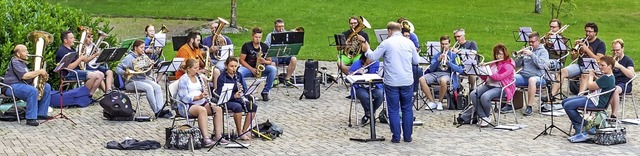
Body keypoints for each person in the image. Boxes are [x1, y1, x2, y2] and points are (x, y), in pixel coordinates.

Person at [363, 22, 419, 143]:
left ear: (389, 31)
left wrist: (366, 49)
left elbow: (373, 56)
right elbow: (416, 60)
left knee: (393, 109)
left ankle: (396, 136)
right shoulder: (409, 42)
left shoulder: (387, 42)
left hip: (392, 81)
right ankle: (408, 136)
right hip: (407, 80)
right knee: (407, 108)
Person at [176, 58, 228, 147]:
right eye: (195, 68)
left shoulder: (199, 77)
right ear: (188, 68)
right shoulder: (183, 79)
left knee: (218, 108)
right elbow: (183, 98)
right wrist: (199, 97)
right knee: (202, 110)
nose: (198, 70)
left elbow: (203, 91)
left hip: (202, 102)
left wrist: (205, 91)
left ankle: (217, 135)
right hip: (188, 105)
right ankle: (205, 138)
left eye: (198, 68)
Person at [115, 40, 172, 118]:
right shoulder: (129, 58)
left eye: (143, 47)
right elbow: (117, 69)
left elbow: (147, 74)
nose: (143, 49)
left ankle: (160, 109)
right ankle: (156, 111)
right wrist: (126, 73)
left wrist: (150, 67)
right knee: (149, 88)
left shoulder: (144, 56)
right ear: (135, 48)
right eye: (141, 47)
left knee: (157, 87)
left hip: (142, 79)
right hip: (131, 82)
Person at [562, 56, 615, 135]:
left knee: (568, 106)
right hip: (591, 98)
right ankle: (583, 123)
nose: (600, 67)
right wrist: (595, 77)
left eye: (602, 65)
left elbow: (590, 86)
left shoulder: (607, 78)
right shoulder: (607, 77)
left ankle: (580, 124)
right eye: (599, 65)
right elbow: (598, 84)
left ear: (610, 66)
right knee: (564, 101)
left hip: (596, 102)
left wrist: (590, 76)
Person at [550, 22, 606, 97]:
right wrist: (574, 53)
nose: (587, 33)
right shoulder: (582, 40)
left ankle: (579, 97)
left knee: (584, 75)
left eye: (590, 32)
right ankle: (552, 95)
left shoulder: (600, 44)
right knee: (562, 71)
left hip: (592, 68)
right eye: (586, 31)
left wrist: (586, 49)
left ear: (595, 33)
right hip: (580, 66)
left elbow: (599, 59)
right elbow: (573, 58)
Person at [2, 45, 52, 126]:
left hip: (21, 85)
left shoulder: (22, 63)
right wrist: (39, 72)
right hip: (11, 87)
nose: (27, 53)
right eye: (25, 51)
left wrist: (42, 77)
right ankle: (31, 118)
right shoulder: (15, 61)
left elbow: (28, 78)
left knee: (46, 86)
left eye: (27, 51)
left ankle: (41, 113)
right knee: (32, 91)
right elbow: (24, 76)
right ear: (18, 54)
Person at [502, 32, 548, 116]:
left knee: (532, 80)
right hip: (524, 76)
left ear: (538, 41)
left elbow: (542, 65)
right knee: (510, 77)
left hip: (539, 77)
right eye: (529, 42)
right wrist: (520, 56)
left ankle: (529, 106)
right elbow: (517, 65)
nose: (530, 44)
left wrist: (532, 55)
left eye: (533, 42)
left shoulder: (543, 52)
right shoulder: (528, 50)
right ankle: (508, 103)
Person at [470, 44, 516, 127]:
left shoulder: (508, 65)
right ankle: (483, 116)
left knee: (485, 97)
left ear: (505, 54)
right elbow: (485, 78)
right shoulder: (493, 64)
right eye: (496, 54)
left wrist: (488, 71)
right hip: (490, 85)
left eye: (500, 54)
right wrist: (481, 70)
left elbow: (498, 77)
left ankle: (487, 116)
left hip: (502, 88)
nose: (498, 56)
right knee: (473, 94)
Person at [216, 57, 258, 141]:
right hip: (227, 101)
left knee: (253, 106)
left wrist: (243, 92)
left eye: (235, 66)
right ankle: (239, 132)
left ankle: (244, 130)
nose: (234, 68)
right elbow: (221, 94)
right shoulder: (222, 78)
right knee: (238, 107)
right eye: (231, 66)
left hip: (238, 98)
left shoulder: (239, 75)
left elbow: (245, 89)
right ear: (226, 66)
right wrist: (234, 96)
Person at [418, 35, 463, 110]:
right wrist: (438, 60)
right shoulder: (436, 55)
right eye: (442, 44)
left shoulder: (454, 55)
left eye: (446, 44)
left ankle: (440, 102)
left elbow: (460, 70)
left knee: (443, 81)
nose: (444, 46)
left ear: (449, 44)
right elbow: (431, 69)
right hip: (435, 73)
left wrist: (449, 63)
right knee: (421, 79)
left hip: (447, 74)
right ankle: (432, 101)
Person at [55, 30, 104, 95]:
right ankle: (83, 95)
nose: (74, 39)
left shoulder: (72, 49)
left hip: (77, 71)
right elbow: (69, 67)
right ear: (65, 40)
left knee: (100, 74)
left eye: (73, 38)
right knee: (93, 76)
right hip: (68, 73)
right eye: (71, 38)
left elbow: (85, 61)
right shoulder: (62, 50)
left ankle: (90, 95)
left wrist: (94, 55)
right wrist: (80, 59)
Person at [238, 27, 277, 101]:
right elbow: (241, 60)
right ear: (252, 36)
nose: (258, 39)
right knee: (239, 72)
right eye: (256, 37)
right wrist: (252, 69)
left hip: (260, 68)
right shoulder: (246, 45)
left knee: (273, 69)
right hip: (248, 68)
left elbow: (270, 61)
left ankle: (265, 91)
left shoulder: (264, 46)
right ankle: (247, 92)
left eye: (260, 37)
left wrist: (264, 61)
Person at [348, 56, 383, 125]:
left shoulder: (376, 64)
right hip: (360, 87)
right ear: (365, 58)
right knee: (365, 96)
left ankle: (368, 114)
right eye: (370, 59)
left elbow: (379, 75)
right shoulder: (357, 64)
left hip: (373, 86)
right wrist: (356, 73)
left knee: (380, 94)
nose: (372, 61)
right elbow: (348, 78)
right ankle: (370, 113)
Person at [265, 18, 298, 86]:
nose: (281, 28)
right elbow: (265, 46)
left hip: (285, 55)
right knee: (272, 61)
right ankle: (274, 79)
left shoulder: (287, 34)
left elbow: (293, 46)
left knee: (294, 59)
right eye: (279, 27)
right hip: (275, 56)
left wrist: (294, 36)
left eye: (282, 26)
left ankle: (287, 79)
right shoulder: (270, 35)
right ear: (275, 27)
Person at [607, 39, 634, 118]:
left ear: (622, 49)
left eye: (617, 50)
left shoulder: (628, 60)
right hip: (612, 82)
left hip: (624, 84)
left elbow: (631, 75)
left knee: (614, 90)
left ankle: (614, 114)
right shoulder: (611, 59)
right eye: (613, 50)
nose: (615, 52)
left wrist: (619, 66)